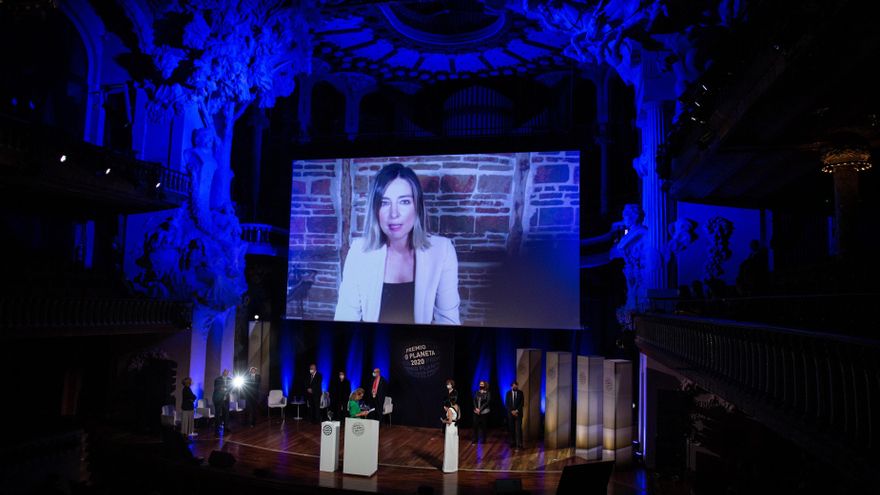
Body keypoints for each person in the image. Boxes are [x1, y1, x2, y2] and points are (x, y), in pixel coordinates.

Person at [334, 163, 461, 325]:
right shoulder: (359, 252)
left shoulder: (442, 251)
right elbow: (345, 320)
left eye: (404, 202)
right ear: (375, 209)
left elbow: (448, 321)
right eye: (385, 203)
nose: (394, 214)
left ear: (417, 207)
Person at [442, 395, 460, 473]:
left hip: (450, 428)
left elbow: (449, 421)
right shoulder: (457, 406)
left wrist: (444, 421)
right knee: (454, 447)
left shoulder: (449, 409)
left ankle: (448, 468)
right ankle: (454, 467)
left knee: (449, 447)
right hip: (455, 427)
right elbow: (459, 417)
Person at [505, 381, 524, 450]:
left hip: (518, 413)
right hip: (510, 414)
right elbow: (507, 404)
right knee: (511, 428)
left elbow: (522, 403)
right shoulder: (508, 393)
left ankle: (520, 444)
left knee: (519, 429)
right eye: (513, 386)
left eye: (516, 386)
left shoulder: (520, 393)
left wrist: (516, 411)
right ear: (511, 386)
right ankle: (513, 442)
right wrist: (512, 411)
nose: (515, 387)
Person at [212, 369, 231, 434]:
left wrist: (228, 390)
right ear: (223, 372)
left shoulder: (230, 379)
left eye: (227, 372)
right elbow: (217, 388)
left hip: (226, 399)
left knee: (226, 414)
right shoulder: (218, 379)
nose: (226, 373)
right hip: (218, 399)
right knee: (217, 415)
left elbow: (231, 388)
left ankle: (226, 427)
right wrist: (225, 389)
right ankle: (216, 430)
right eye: (225, 371)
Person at [472, 380, 491, 445]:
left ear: (485, 385)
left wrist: (480, 409)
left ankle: (484, 439)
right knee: (475, 425)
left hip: (484, 412)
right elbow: (474, 400)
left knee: (483, 426)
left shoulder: (487, 393)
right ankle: (475, 439)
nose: (481, 385)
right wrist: (476, 408)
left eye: (482, 384)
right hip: (476, 411)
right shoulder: (477, 392)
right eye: (480, 384)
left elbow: (487, 402)